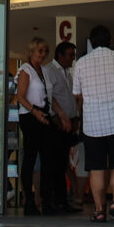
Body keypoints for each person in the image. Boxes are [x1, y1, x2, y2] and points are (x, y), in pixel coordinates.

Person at [71, 25, 114, 223]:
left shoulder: (81, 63)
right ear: (109, 41)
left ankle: (99, 210)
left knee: (96, 168)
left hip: (93, 125)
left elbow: (77, 93)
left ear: (91, 43)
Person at [12, 37, 66, 216]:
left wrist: (61, 114)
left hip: (45, 114)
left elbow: (51, 97)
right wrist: (35, 112)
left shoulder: (43, 71)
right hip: (30, 116)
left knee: (48, 160)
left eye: (45, 51)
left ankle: (46, 200)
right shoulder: (25, 70)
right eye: (40, 51)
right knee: (30, 158)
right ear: (31, 52)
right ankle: (29, 201)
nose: (43, 54)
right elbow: (20, 96)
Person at [49, 41, 82, 207]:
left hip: (68, 123)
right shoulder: (50, 71)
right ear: (60, 55)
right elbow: (49, 97)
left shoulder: (67, 73)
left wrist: (75, 117)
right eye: (70, 55)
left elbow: (70, 97)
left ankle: (62, 200)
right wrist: (59, 116)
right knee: (57, 163)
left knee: (63, 163)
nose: (73, 58)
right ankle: (57, 200)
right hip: (57, 124)